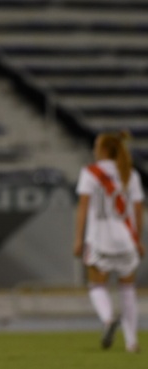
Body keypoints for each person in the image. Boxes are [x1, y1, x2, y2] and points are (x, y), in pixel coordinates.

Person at [74, 131, 144, 353]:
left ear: (104, 150)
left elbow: (83, 207)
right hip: (126, 240)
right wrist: (138, 240)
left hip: (99, 240)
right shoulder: (130, 174)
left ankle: (108, 319)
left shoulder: (90, 173)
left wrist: (78, 239)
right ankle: (132, 342)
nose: (94, 150)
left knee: (96, 286)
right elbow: (138, 210)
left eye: (96, 146)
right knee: (128, 291)